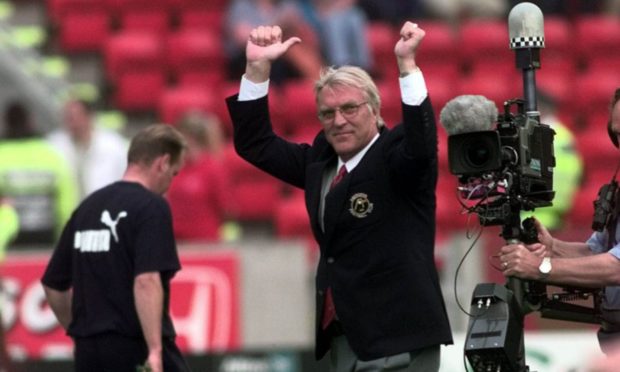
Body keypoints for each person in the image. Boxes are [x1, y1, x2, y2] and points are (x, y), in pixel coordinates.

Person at [226, 22, 452, 371]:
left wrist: (407, 66)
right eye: (327, 113)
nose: (339, 121)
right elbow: (255, 144)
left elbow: (422, 146)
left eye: (350, 108)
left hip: (399, 336)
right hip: (346, 338)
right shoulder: (321, 163)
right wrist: (257, 69)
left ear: (375, 111)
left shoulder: (398, 157)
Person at [40, 124, 191, 372]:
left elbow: (53, 285)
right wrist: (154, 350)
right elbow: (146, 281)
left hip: (89, 352)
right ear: (162, 163)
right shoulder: (151, 207)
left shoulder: (87, 207)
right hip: (134, 346)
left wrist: (79, 332)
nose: (169, 183)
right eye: (173, 174)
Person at [498, 87, 620, 357]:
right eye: (618, 134)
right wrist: (554, 247)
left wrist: (541, 267)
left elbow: (616, 267)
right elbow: (597, 250)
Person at [0, 101, 78, 247]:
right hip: (47, 243)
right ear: (31, 122)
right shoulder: (52, 155)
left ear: (5, 123)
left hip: (7, 245)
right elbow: (66, 205)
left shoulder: (1, 155)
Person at [166, 110, 234, 242]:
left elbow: (226, 207)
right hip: (175, 240)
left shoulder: (213, 168)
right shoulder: (175, 167)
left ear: (190, 138)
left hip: (204, 241)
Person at [224, 0, 323, 83]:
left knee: (296, 47)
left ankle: (321, 82)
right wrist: (278, 24)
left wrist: (296, 26)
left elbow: (311, 39)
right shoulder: (242, 6)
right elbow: (244, 38)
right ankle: (322, 83)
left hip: (282, 59)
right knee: (292, 50)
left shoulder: (286, 5)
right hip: (247, 60)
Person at [47, 99, 128, 200]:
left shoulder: (114, 145)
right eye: (69, 118)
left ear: (89, 116)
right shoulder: (54, 145)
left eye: (76, 117)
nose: (73, 123)